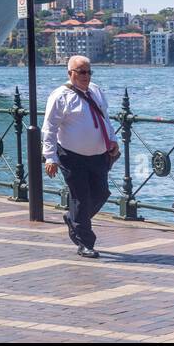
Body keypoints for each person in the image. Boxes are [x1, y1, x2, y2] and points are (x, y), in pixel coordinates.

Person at [43, 56, 119, 258]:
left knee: (102, 193)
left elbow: (105, 118)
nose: (86, 76)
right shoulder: (60, 96)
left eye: (88, 72)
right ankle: (85, 243)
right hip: (71, 155)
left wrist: (113, 140)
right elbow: (49, 129)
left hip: (98, 155)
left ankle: (74, 218)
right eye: (81, 72)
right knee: (81, 198)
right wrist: (50, 157)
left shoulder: (96, 91)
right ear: (70, 73)